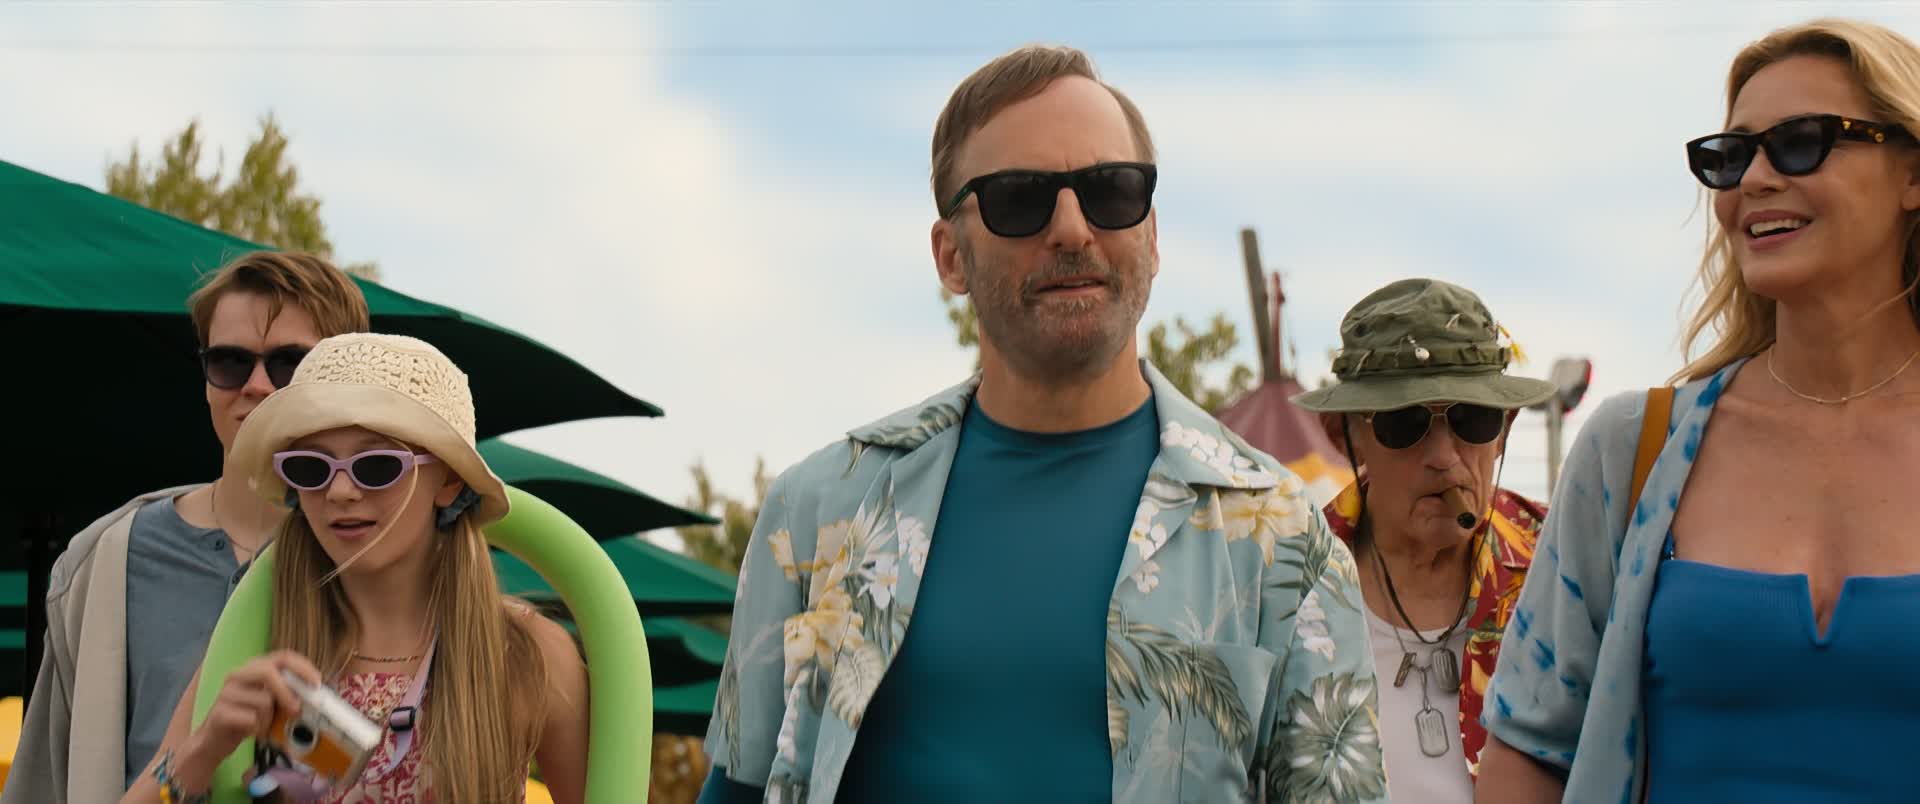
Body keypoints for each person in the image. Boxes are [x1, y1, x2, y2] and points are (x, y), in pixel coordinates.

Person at [697, 44, 1385, 804]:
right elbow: (739, 786)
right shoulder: (819, 511)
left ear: (1153, 236)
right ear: (950, 257)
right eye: (1020, 199)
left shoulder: (1283, 538)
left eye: (1111, 190)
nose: (1071, 229)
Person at [1478, 18, 1920, 804]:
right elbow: (1529, 752)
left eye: (1800, 142)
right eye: (1731, 156)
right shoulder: (1633, 449)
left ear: (1912, 175)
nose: (1754, 179)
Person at [121, 332, 591, 803]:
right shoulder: (259, 643)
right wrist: (201, 750)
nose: (341, 491)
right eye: (310, 468)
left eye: (377, 465)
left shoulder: (525, 654)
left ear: (448, 479)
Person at [2, 251, 370, 804]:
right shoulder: (105, 560)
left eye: (290, 363)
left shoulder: (381, 560)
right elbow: (43, 785)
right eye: (229, 362)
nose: (256, 385)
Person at [1292, 279, 1555, 804]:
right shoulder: (1281, 585)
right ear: (1343, 434)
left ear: (1505, 429)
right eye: (1404, 423)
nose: (1443, 456)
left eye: (1472, 419)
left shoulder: (1562, 567)